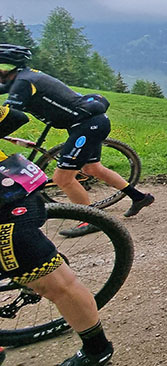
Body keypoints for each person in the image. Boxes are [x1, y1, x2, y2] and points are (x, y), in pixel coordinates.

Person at [0, 45, 153, 236]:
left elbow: (11, 117)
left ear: (7, 67)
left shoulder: (22, 83)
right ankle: (139, 198)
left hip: (86, 126)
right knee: (92, 169)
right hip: (90, 122)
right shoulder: (23, 76)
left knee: (62, 178)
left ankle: (90, 220)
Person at [0, 134, 114, 365]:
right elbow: (14, 117)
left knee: (58, 285)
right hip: (17, 179)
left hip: (9, 203)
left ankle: (97, 350)